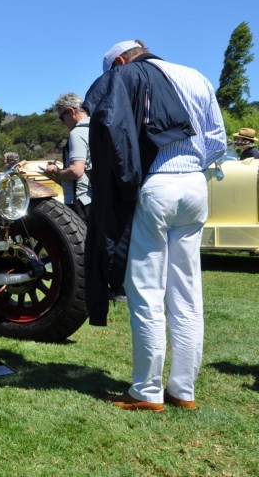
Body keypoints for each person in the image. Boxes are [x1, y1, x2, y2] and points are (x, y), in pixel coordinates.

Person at [84, 40, 227, 412]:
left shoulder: (127, 75)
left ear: (119, 61)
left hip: (156, 184)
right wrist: (190, 166)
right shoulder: (196, 75)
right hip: (196, 185)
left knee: (147, 291)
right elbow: (217, 141)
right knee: (187, 292)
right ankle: (183, 390)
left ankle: (146, 391)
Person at [46, 93, 92, 222]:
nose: (62, 123)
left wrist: (55, 171)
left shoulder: (77, 133)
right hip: (97, 199)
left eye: (62, 118)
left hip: (80, 202)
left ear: (71, 111)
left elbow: (76, 171)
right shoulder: (97, 128)